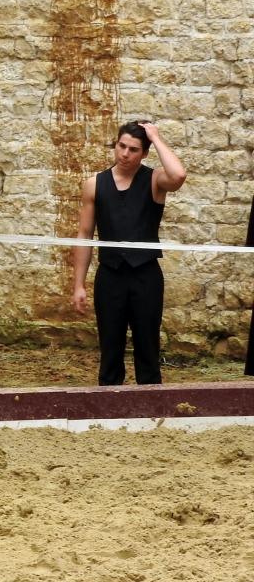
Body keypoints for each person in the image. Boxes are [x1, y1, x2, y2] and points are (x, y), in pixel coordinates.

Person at [72, 121, 187, 385]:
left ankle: (151, 410)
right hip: (110, 276)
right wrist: (78, 284)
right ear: (115, 145)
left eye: (133, 149)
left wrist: (155, 138)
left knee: (148, 348)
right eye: (121, 146)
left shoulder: (155, 180)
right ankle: (109, 410)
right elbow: (84, 234)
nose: (125, 154)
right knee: (110, 349)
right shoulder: (94, 184)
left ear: (144, 153)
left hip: (145, 275)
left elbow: (179, 175)